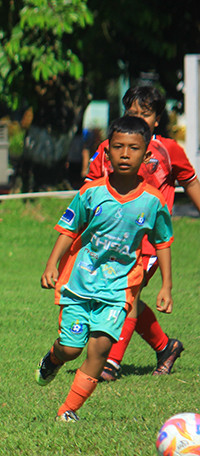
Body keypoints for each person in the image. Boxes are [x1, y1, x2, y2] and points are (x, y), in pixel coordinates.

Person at [36, 115, 173, 422]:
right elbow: (69, 229)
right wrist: (51, 264)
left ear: (146, 156)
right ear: (106, 152)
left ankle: (68, 410)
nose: (125, 154)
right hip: (80, 284)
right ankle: (54, 357)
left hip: (118, 290)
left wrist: (166, 286)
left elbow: (163, 242)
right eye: (118, 147)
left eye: (134, 148)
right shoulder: (91, 193)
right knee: (72, 349)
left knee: (98, 352)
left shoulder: (152, 201)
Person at [85, 86, 200, 381]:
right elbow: (90, 188)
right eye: (132, 112)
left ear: (157, 119)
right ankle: (166, 347)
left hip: (148, 243)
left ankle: (110, 363)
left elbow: (190, 183)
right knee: (121, 296)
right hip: (110, 240)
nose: (138, 118)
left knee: (126, 295)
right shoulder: (108, 148)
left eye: (145, 114)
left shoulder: (169, 150)